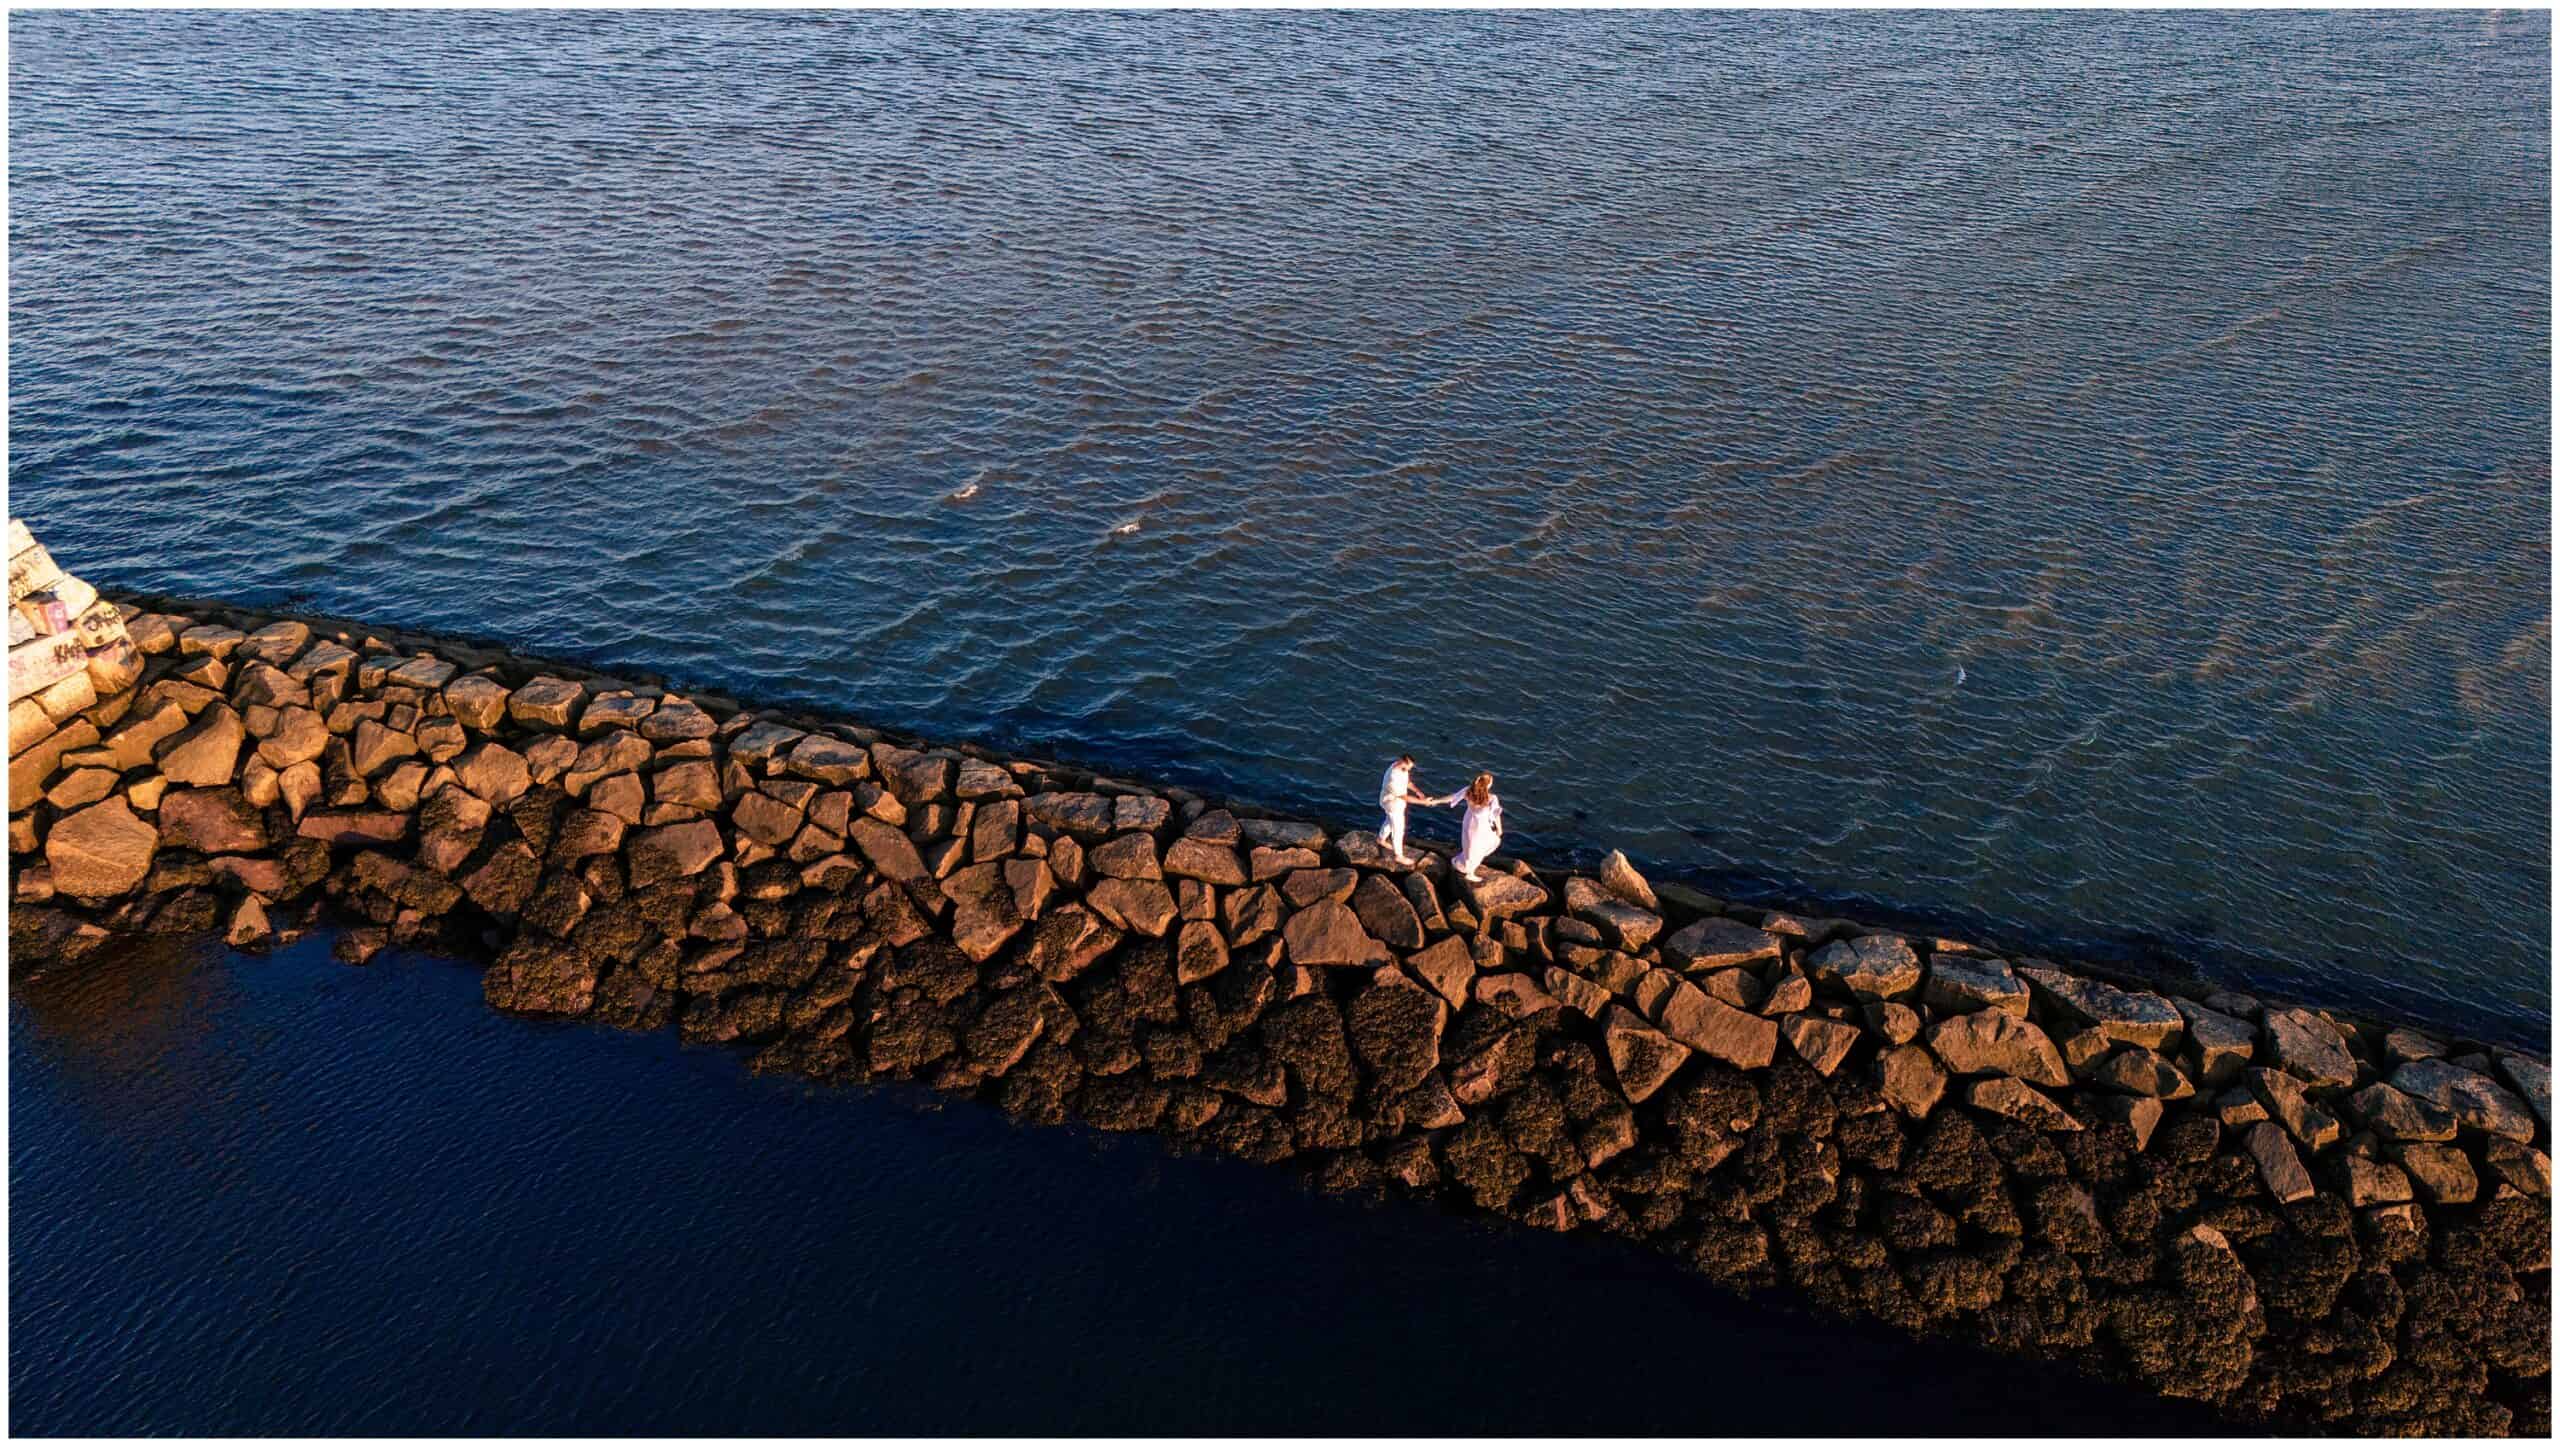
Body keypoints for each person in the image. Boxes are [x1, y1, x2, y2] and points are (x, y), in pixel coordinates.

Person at [1433, 771, 1504, 882]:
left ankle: (1462, 862)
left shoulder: (1469, 791)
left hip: (1469, 821)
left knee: (1470, 846)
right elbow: (1496, 815)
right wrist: (1499, 829)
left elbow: (1453, 797)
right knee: (1479, 847)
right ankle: (1470, 873)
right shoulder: (1492, 798)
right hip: (1481, 826)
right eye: (1491, 782)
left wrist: (1437, 801)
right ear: (1488, 784)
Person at [1376, 753, 1432, 866]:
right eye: (1408, 767)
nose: (1409, 769)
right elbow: (1404, 797)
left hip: (1395, 803)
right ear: (1401, 762)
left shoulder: (1400, 767)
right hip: (1392, 804)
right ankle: (1399, 856)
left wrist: (1418, 792)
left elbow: (1407, 782)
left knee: (1389, 821)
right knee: (1398, 830)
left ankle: (1381, 839)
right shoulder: (1392, 777)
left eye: (1410, 767)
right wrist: (1423, 802)